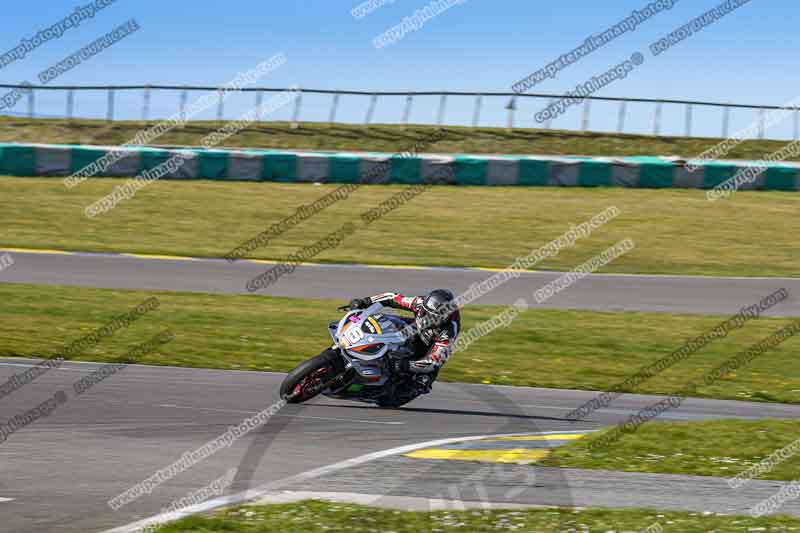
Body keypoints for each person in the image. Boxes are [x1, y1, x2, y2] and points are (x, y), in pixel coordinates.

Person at [348, 289, 460, 394]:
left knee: (423, 380)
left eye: (432, 317)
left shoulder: (448, 332)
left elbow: (433, 361)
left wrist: (405, 365)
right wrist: (366, 301)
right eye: (425, 313)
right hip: (414, 327)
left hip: (430, 346)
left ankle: (400, 389)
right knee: (383, 321)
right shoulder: (420, 303)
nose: (426, 318)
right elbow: (392, 298)